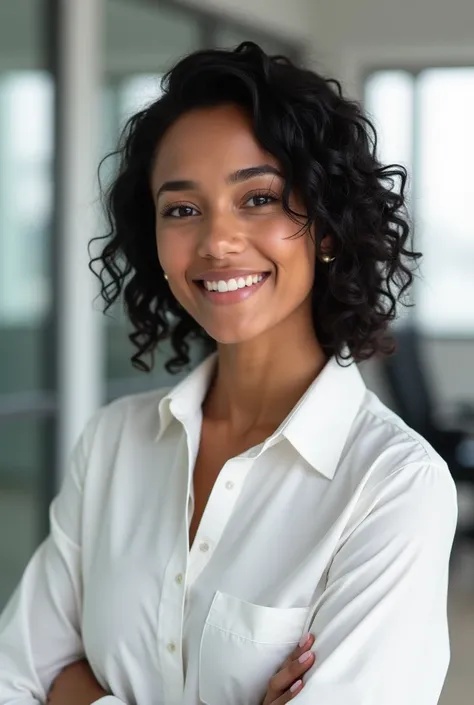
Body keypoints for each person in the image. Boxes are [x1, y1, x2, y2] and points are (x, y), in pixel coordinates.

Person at [0, 42, 458, 705]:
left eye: (259, 198)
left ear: (325, 228)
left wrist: (77, 692)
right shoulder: (113, 443)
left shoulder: (393, 486)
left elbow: (47, 684)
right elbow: (15, 674)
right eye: (182, 209)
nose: (217, 240)